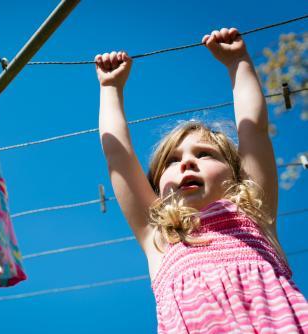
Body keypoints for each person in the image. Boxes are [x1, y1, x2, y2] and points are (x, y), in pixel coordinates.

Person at [95, 27, 308, 332]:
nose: (187, 163)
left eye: (205, 154)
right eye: (171, 161)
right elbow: (118, 157)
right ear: (157, 188)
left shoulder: (254, 214)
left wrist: (239, 63)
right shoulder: (159, 240)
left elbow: (254, 131)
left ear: (236, 174)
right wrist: (110, 88)